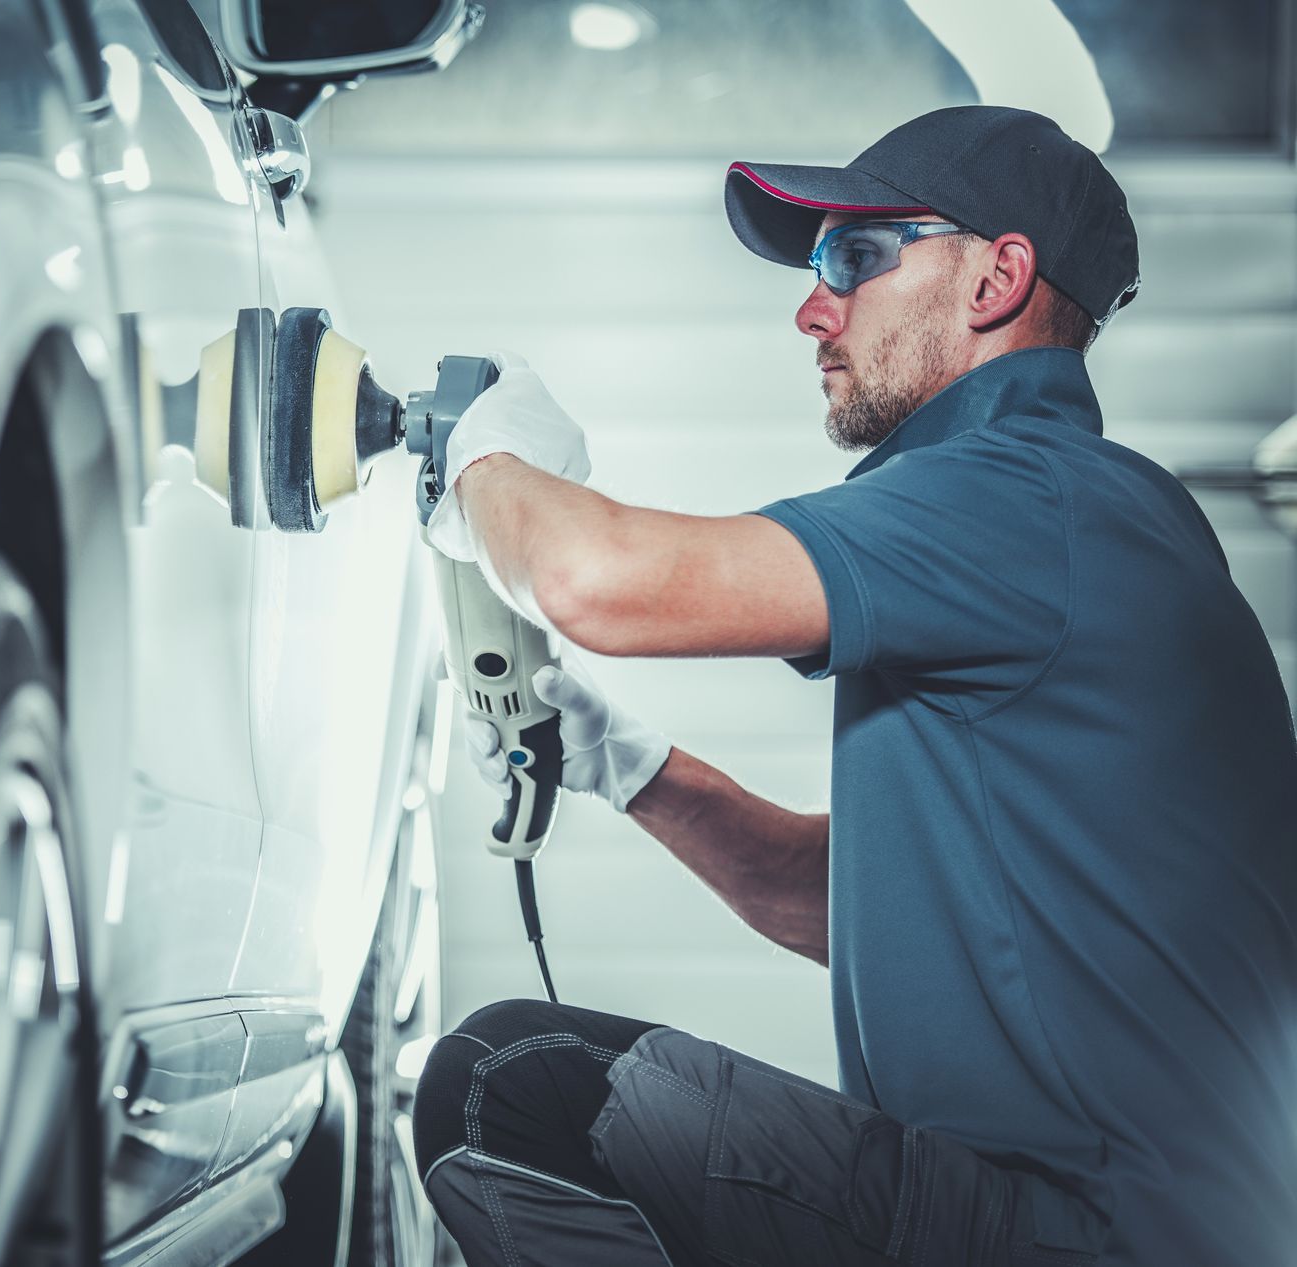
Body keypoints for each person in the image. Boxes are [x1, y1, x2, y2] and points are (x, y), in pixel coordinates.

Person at [412, 105, 1297, 1267]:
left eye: (855, 256)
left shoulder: (1028, 493)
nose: (813, 306)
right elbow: (826, 901)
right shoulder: (1074, 529)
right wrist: (626, 765)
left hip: (1077, 1232)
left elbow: (594, 580)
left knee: (505, 1089)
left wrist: (484, 460)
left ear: (996, 277)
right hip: (1093, 1224)